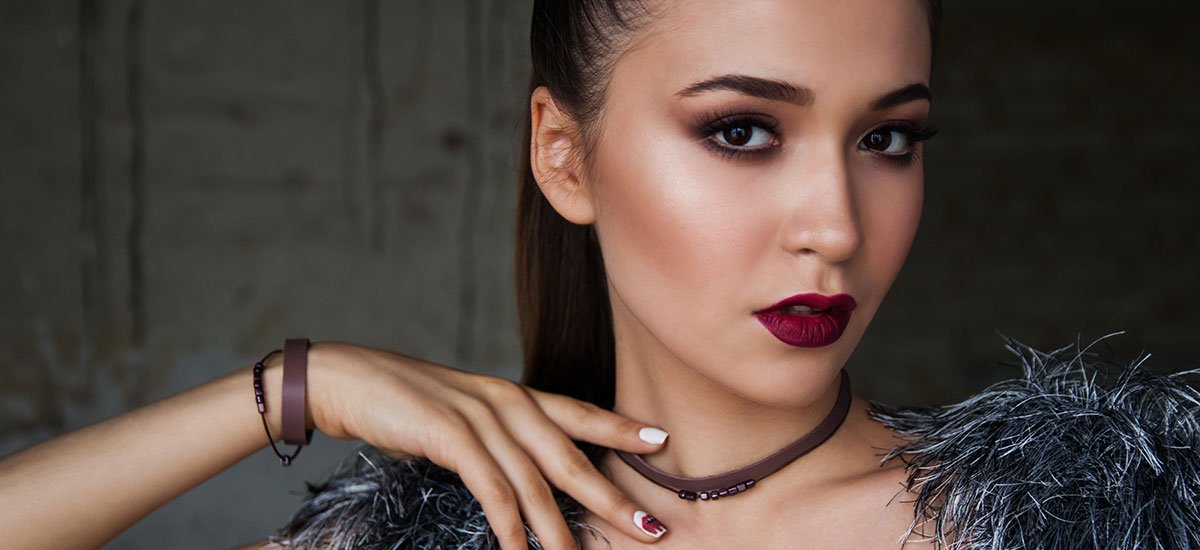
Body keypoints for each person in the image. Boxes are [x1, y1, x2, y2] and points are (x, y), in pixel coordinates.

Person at [3, 0, 1197, 549]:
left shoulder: (1105, 512)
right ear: (563, 156)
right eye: (743, 130)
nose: (835, 225)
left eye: (888, 137)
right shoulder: (436, 543)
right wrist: (297, 387)